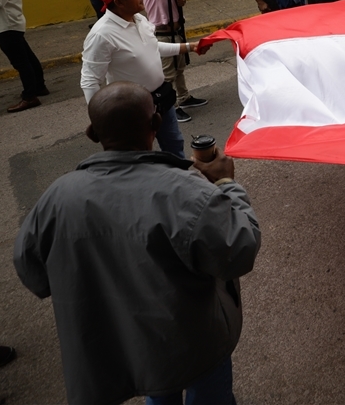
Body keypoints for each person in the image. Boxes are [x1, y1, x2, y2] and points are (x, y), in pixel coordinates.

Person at [14, 81, 261, 405]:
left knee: (158, 390)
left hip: (125, 345)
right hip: (194, 342)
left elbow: (31, 271)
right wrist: (227, 183)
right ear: (156, 123)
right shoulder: (187, 191)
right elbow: (239, 250)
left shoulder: (58, 197)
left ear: (92, 133)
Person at [80, 0, 204, 158]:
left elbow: (152, 47)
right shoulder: (101, 35)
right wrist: (100, 119)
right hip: (131, 109)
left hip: (161, 99)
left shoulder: (139, 19)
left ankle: (177, 173)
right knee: (138, 156)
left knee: (174, 144)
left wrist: (189, 47)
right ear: (119, 2)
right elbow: (90, 80)